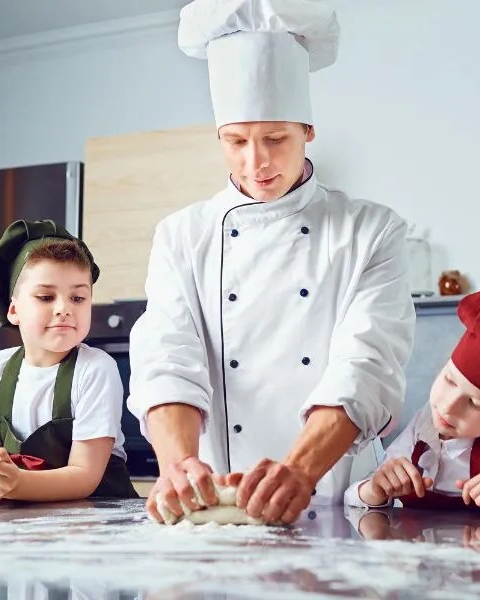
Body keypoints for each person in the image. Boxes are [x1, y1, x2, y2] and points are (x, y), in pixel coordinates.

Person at [127, 0, 415, 525]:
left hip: (337, 502)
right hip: (213, 502)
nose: (254, 162)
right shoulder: (182, 234)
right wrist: (178, 464)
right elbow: (168, 356)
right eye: (235, 142)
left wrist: (301, 471)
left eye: (274, 139)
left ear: (308, 129)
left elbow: (367, 365)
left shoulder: (371, 230)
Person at [0, 220, 137, 504]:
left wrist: (13, 483)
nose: (64, 309)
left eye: (78, 298)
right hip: (23, 526)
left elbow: (84, 476)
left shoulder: (95, 369)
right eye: (46, 297)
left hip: (99, 524)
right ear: (14, 310)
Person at [345, 289, 480, 515]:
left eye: (474, 403)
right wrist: (374, 489)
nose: (448, 407)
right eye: (450, 381)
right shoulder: (425, 424)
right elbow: (354, 497)